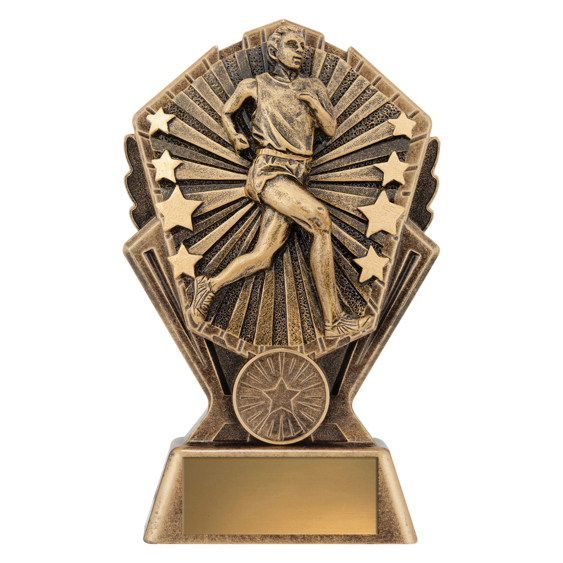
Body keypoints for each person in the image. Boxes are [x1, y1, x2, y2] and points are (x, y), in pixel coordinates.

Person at [190, 24, 374, 339]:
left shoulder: (313, 86)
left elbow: (330, 128)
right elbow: (227, 111)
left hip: (299, 172)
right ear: (274, 51)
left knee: (263, 256)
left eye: (302, 47)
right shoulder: (255, 84)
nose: (299, 51)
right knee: (320, 220)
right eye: (291, 45)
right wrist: (235, 136)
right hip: (270, 170)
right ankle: (333, 322)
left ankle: (209, 285)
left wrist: (315, 104)